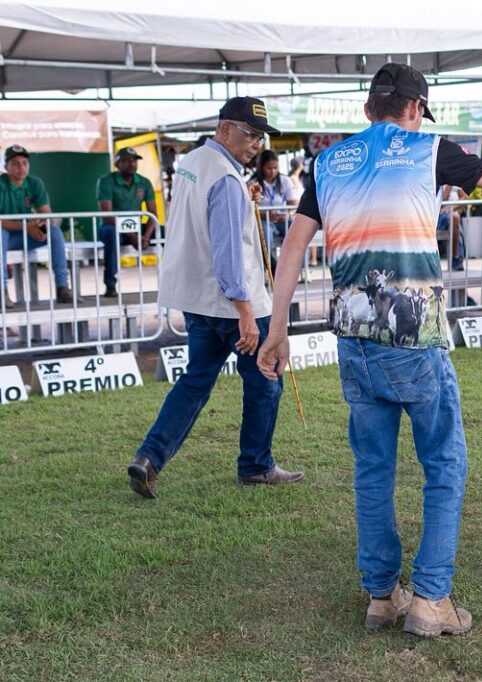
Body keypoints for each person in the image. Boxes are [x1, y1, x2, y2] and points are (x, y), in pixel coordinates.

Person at [256, 63, 482, 638]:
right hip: (415, 339)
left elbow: (292, 247)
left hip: (353, 339)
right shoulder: (428, 149)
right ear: (415, 109)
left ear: (369, 109)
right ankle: (431, 599)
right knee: (444, 462)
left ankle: (382, 594)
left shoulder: (329, 162)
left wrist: (277, 328)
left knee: (372, 469)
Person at [126, 97, 305, 500]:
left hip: (197, 300)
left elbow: (208, 220)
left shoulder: (193, 162)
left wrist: (243, 194)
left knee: (196, 380)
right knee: (265, 379)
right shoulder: (226, 180)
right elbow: (229, 254)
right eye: (250, 133)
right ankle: (256, 466)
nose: (256, 143)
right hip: (233, 303)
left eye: (260, 137)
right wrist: (245, 313)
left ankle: (149, 458)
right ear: (224, 129)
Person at [0, 145, 77, 304]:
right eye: (15, 163)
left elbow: (47, 214)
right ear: (6, 166)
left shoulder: (34, 183)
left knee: (54, 231)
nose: (21, 167)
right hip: (5, 237)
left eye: (25, 163)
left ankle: (62, 287)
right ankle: (2, 291)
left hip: (24, 235)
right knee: (1, 233)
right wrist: (27, 226)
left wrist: (40, 224)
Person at [96, 147, 158, 297]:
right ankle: (110, 284)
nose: (132, 164)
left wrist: (146, 237)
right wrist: (132, 236)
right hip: (113, 226)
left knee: (168, 232)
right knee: (111, 234)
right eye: (127, 160)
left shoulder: (144, 182)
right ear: (117, 164)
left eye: (135, 161)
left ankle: (175, 280)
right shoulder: (106, 181)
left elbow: (153, 214)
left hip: (137, 228)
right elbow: (107, 216)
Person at [250, 149, 298, 275]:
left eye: (275, 168)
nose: (272, 172)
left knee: (295, 231)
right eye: (268, 168)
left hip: (282, 219)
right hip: (263, 219)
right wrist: (267, 215)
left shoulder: (285, 181)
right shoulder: (253, 183)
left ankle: (295, 267)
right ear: (261, 167)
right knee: (265, 233)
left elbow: (293, 204)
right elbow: (251, 208)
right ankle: (270, 266)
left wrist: (288, 214)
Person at [438, 184, 468, 270]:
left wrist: (451, 207)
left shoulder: (454, 180)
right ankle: (456, 258)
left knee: (455, 218)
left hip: (451, 214)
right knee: (455, 220)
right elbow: (443, 200)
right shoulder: (437, 181)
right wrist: (449, 185)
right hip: (438, 214)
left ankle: (456, 258)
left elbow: (465, 197)